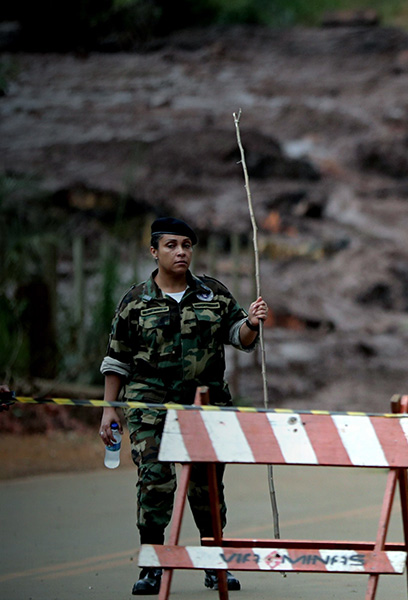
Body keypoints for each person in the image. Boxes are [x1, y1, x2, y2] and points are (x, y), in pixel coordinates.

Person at [99, 217, 268, 595]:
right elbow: (117, 359)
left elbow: (238, 336)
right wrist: (110, 409)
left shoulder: (213, 293)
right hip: (149, 407)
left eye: (187, 245)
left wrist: (253, 323)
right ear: (154, 251)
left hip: (204, 406)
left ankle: (213, 563)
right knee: (155, 482)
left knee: (207, 488)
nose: (181, 252)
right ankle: (153, 565)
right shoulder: (135, 301)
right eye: (172, 245)